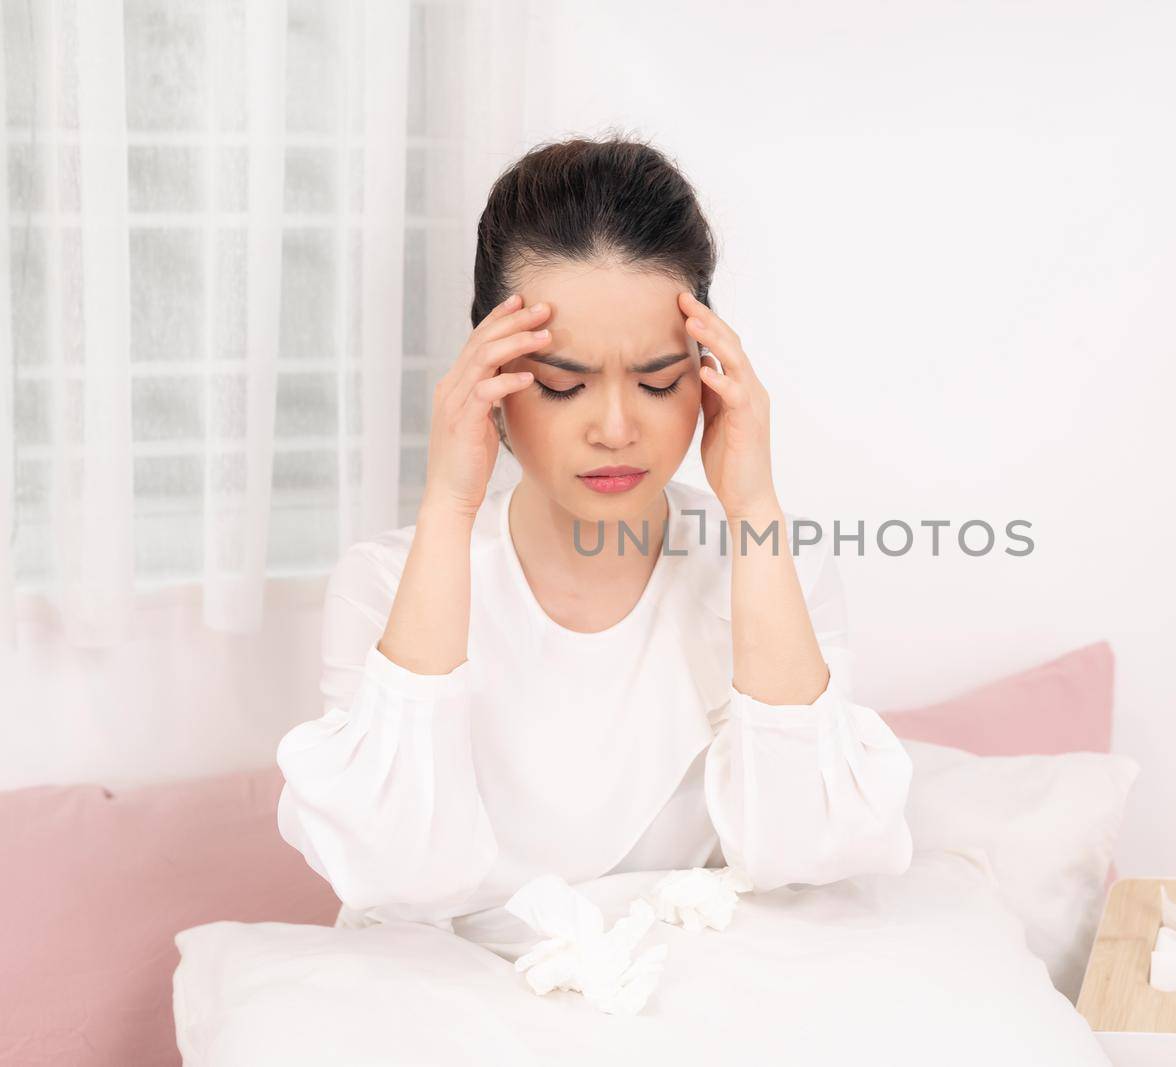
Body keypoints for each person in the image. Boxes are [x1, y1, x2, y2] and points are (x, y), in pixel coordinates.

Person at [274, 136, 915, 940]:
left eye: (658, 382)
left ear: (709, 373)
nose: (616, 427)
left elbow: (802, 852)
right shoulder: (385, 582)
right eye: (562, 385)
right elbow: (398, 874)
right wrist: (449, 499)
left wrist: (752, 502)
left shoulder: (762, 570)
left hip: (690, 998)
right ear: (491, 380)